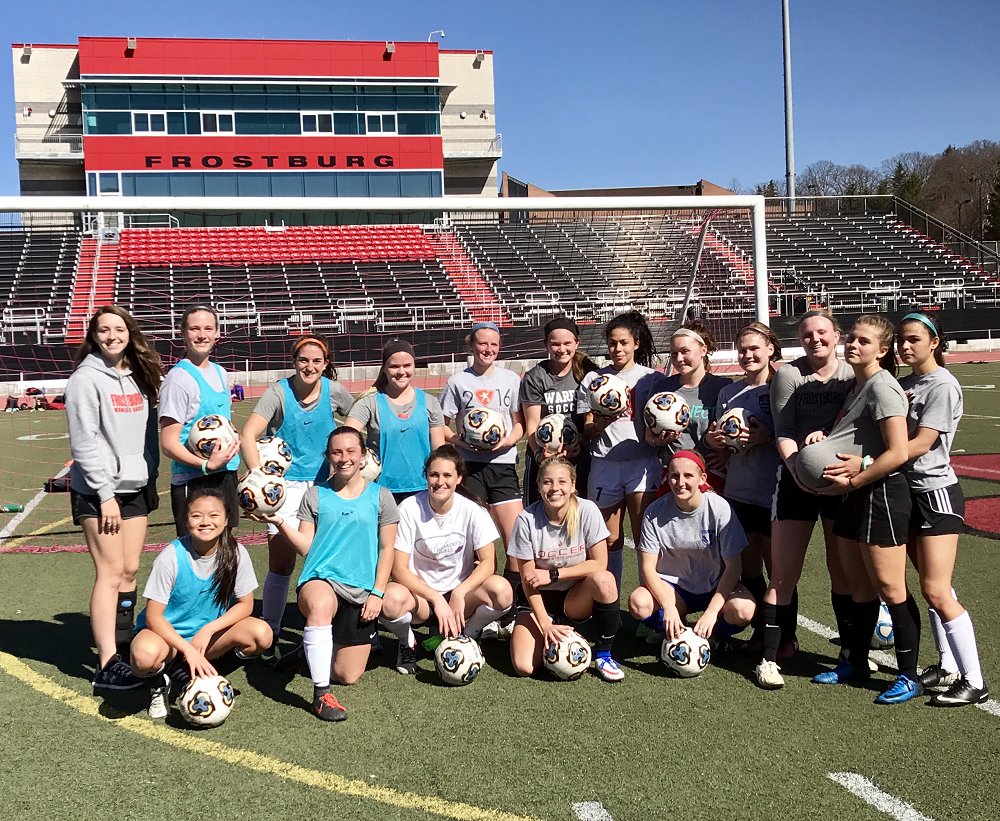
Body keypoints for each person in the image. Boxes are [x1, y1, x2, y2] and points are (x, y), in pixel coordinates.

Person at [806, 315, 917, 704]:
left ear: (882, 350)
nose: (853, 345)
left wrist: (857, 476)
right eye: (851, 338)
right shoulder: (858, 386)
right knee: (858, 586)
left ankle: (908, 675)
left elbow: (898, 452)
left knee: (890, 586)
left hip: (881, 493)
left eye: (864, 341)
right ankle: (854, 661)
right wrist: (826, 440)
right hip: (854, 495)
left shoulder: (883, 387)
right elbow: (856, 439)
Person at [261, 427, 398, 722]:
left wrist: (377, 592)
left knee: (348, 675)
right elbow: (306, 547)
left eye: (350, 451)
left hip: (361, 590)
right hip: (320, 579)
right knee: (321, 604)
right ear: (328, 456)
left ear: (363, 456)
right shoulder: (315, 494)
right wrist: (280, 522)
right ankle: (321, 695)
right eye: (336, 452)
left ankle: (306, 655)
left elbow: (387, 548)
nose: (343, 458)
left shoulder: (381, 496)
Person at [754, 310, 854, 690]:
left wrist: (829, 447)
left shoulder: (852, 374)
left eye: (822, 332)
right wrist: (798, 468)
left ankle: (850, 653)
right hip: (795, 480)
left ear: (837, 336)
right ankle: (768, 659)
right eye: (807, 334)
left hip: (839, 482)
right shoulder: (789, 375)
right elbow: (783, 430)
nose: (815, 339)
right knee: (783, 574)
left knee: (842, 571)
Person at [66, 305, 164, 690]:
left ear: (129, 333)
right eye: (104, 330)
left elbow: (149, 433)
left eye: (118, 329)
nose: (112, 336)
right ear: (94, 335)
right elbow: (83, 442)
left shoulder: (139, 375)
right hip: (98, 492)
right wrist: (105, 494)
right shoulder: (85, 379)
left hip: (135, 486)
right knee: (109, 573)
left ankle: (123, 646)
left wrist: (150, 472)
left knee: (129, 570)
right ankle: (106, 664)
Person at [239, 334, 353, 657]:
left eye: (317, 361)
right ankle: (272, 633)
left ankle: (333, 630)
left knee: (328, 559)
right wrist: (259, 477)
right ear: (294, 361)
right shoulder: (278, 392)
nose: (310, 366)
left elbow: (357, 422)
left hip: (325, 486)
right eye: (304, 360)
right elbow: (249, 434)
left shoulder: (334, 392)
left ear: (326, 364)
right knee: (282, 562)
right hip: (283, 489)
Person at [897, 313, 987, 706]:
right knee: (932, 586)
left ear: (934, 342)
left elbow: (921, 443)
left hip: (935, 493)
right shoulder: (904, 384)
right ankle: (948, 664)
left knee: (936, 589)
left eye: (914, 339)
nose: (905, 346)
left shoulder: (943, 384)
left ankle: (975, 681)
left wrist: (869, 464)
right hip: (908, 492)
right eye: (901, 339)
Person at [130, 488, 271, 719]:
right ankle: (159, 685)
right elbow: (153, 617)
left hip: (206, 639)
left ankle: (207, 676)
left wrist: (208, 629)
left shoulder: (236, 553)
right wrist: (187, 649)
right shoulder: (171, 557)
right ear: (186, 521)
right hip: (167, 638)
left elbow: (246, 605)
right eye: (196, 516)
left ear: (226, 520)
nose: (205, 522)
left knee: (261, 634)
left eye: (214, 515)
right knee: (144, 656)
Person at [379, 445, 513, 674]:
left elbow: (488, 563)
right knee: (389, 600)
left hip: (461, 599)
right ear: (426, 476)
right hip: (421, 598)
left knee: (502, 591)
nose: (440, 482)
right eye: (434, 475)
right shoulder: (409, 508)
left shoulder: (473, 510)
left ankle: (468, 635)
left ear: (459, 478)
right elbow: (398, 569)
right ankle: (407, 642)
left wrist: (459, 592)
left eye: (447, 475)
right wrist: (435, 599)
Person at [440, 321, 525, 632]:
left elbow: (519, 424)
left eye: (494, 345)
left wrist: (507, 441)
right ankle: (478, 608)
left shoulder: (511, 379)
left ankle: (510, 610)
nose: (488, 350)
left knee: (516, 541)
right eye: (482, 344)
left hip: (502, 466)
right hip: (470, 468)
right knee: (476, 545)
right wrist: (460, 442)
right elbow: (442, 425)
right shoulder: (457, 382)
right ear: (471, 346)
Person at [508, 457, 624, 682]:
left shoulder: (587, 510)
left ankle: (603, 654)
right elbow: (528, 582)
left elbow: (599, 563)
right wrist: (545, 624)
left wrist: (553, 574)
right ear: (539, 486)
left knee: (604, 579)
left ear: (573, 485)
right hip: (538, 599)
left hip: (575, 598)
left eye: (562, 481)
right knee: (524, 667)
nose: (555, 488)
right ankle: (553, 630)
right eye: (547, 482)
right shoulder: (526, 520)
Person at [628, 450, 755, 652]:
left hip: (714, 585)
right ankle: (675, 631)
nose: (680, 482)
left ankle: (713, 634)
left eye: (688, 475)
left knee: (743, 610)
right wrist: (668, 607)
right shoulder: (654, 512)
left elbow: (734, 567)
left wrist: (712, 611)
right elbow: (647, 567)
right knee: (638, 603)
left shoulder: (719, 508)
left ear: (702, 478)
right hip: (674, 589)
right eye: (674, 475)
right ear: (667, 477)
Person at [705, 322, 782, 634]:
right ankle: (761, 634)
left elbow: (794, 434)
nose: (748, 355)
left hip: (774, 493)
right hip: (738, 492)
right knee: (749, 569)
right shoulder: (729, 392)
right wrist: (716, 443)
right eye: (742, 350)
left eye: (754, 349)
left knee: (779, 574)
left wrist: (767, 437)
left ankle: (785, 638)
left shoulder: (782, 387)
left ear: (770, 349)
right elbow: (722, 439)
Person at [577, 311, 662, 592]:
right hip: (605, 464)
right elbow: (587, 429)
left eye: (624, 342)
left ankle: (650, 602)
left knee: (644, 537)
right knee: (609, 539)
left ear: (636, 343)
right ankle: (609, 600)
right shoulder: (594, 379)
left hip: (643, 464)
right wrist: (602, 422)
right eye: (612, 343)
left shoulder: (651, 378)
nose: (618, 349)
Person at [159, 305, 241, 537]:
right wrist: (205, 465)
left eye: (208, 328)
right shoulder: (178, 379)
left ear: (217, 333)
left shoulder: (221, 373)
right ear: (183, 333)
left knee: (225, 546)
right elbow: (168, 444)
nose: (202, 335)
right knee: (196, 550)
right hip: (194, 480)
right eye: (195, 328)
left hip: (226, 475)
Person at [346, 339, 446, 503]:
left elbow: (439, 451)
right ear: (384, 368)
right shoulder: (369, 403)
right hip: (380, 491)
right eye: (394, 366)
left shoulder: (430, 402)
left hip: (423, 490)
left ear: (414, 366)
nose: (401, 371)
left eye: (407, 365)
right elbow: (345, 438)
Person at [519, 317, 599, 505]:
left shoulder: (588, 373)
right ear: (546, 344)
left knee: (580, 512)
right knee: (540, 513)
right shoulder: (535, 377)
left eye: (567, 343)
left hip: (580, 455)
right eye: (555, 344)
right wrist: (540, 456)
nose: (561, 349)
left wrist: (581, 443)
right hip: (545, 457)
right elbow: (532, 424)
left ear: (577, 343)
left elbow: (594, 417)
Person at [648, 321, 731, 490]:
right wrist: (657, 441)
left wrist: (727, 453)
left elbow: (733, 431)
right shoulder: (661, 389)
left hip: (711, 474)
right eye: (674, 354)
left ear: (703, 350)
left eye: (685, 351)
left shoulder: (723, 387)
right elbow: (648, 436)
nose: (679, 359)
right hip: (674, 476)